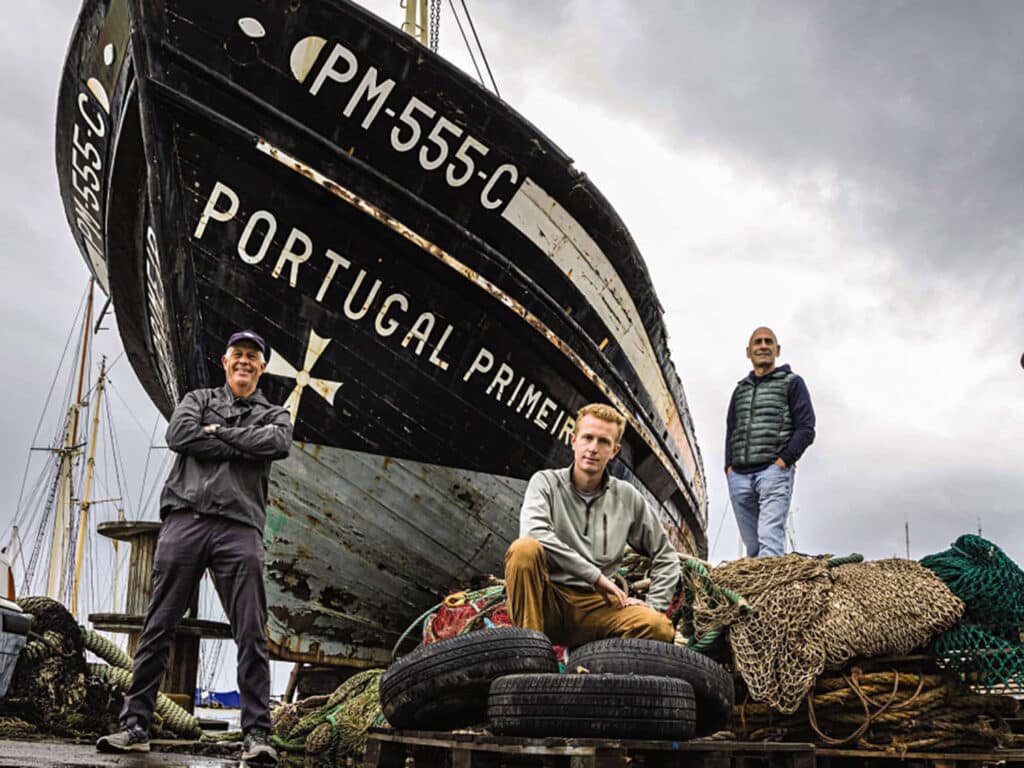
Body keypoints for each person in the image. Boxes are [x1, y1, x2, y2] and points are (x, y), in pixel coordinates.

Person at [97, 330, 292, 765]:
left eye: (253, 357)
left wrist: (218, 433)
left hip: (239, 528)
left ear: (262, 367)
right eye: (238, 354)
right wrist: (241, 442)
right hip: (185, 518)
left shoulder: (275, 413)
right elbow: (179, 435)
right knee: (158, 625)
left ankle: (257, 734)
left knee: (250, 632)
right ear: (225, 361)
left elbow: (276, 443)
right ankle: (135, 725)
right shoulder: (196, 399)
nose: (244, 361)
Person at [504, 403, 680, 647]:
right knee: (524, 550)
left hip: (598, 607)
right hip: (547, 601)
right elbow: (535, 534)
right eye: (587, 438)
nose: (593, 448)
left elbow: (666, 556)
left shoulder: (627, 497)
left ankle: (592, 663)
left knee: (658, 627)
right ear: (574, 440)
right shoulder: (545, 483)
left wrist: (654, 604)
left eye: (603, 442)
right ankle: (530, 654)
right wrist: (596, 576)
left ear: (614, 451)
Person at [725, 327, 815, 558]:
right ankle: (753, 595)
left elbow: (806, 428)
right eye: (757, 342)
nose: (763, 346)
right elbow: (731, 428)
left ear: (777, 350)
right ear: (748, 351)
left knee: (769, 539)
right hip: (739, 477)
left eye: (768, 342)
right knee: (752, 546)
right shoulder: (740, 390)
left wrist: (783, 462)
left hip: (773, 473)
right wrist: (729, 468)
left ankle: (774, 594)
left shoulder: (792, 383)